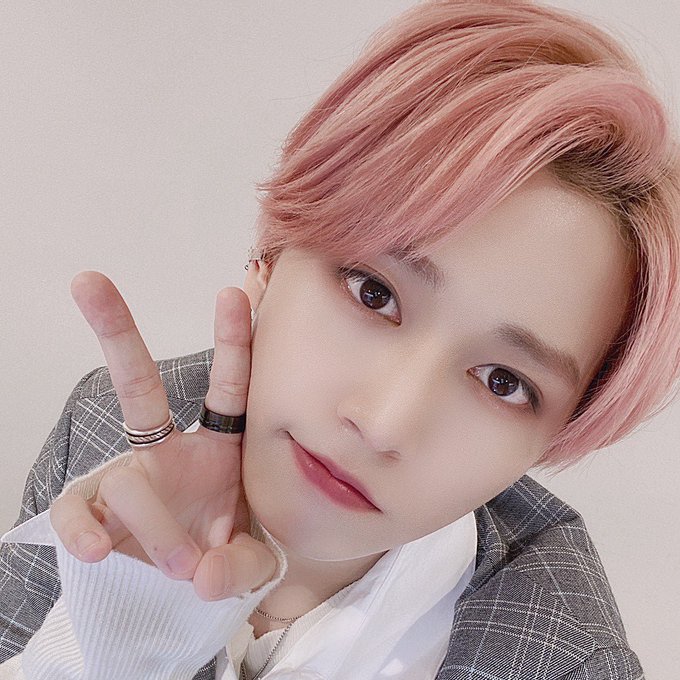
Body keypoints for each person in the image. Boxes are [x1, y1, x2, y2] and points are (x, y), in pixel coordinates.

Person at [1, 0, 679, 678]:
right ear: (270, 255)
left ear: (560, 433)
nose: (383, 424)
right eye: (373, 293)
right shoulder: (105, 438)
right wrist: (118, 635)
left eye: (504, 383)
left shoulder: (569, 663)